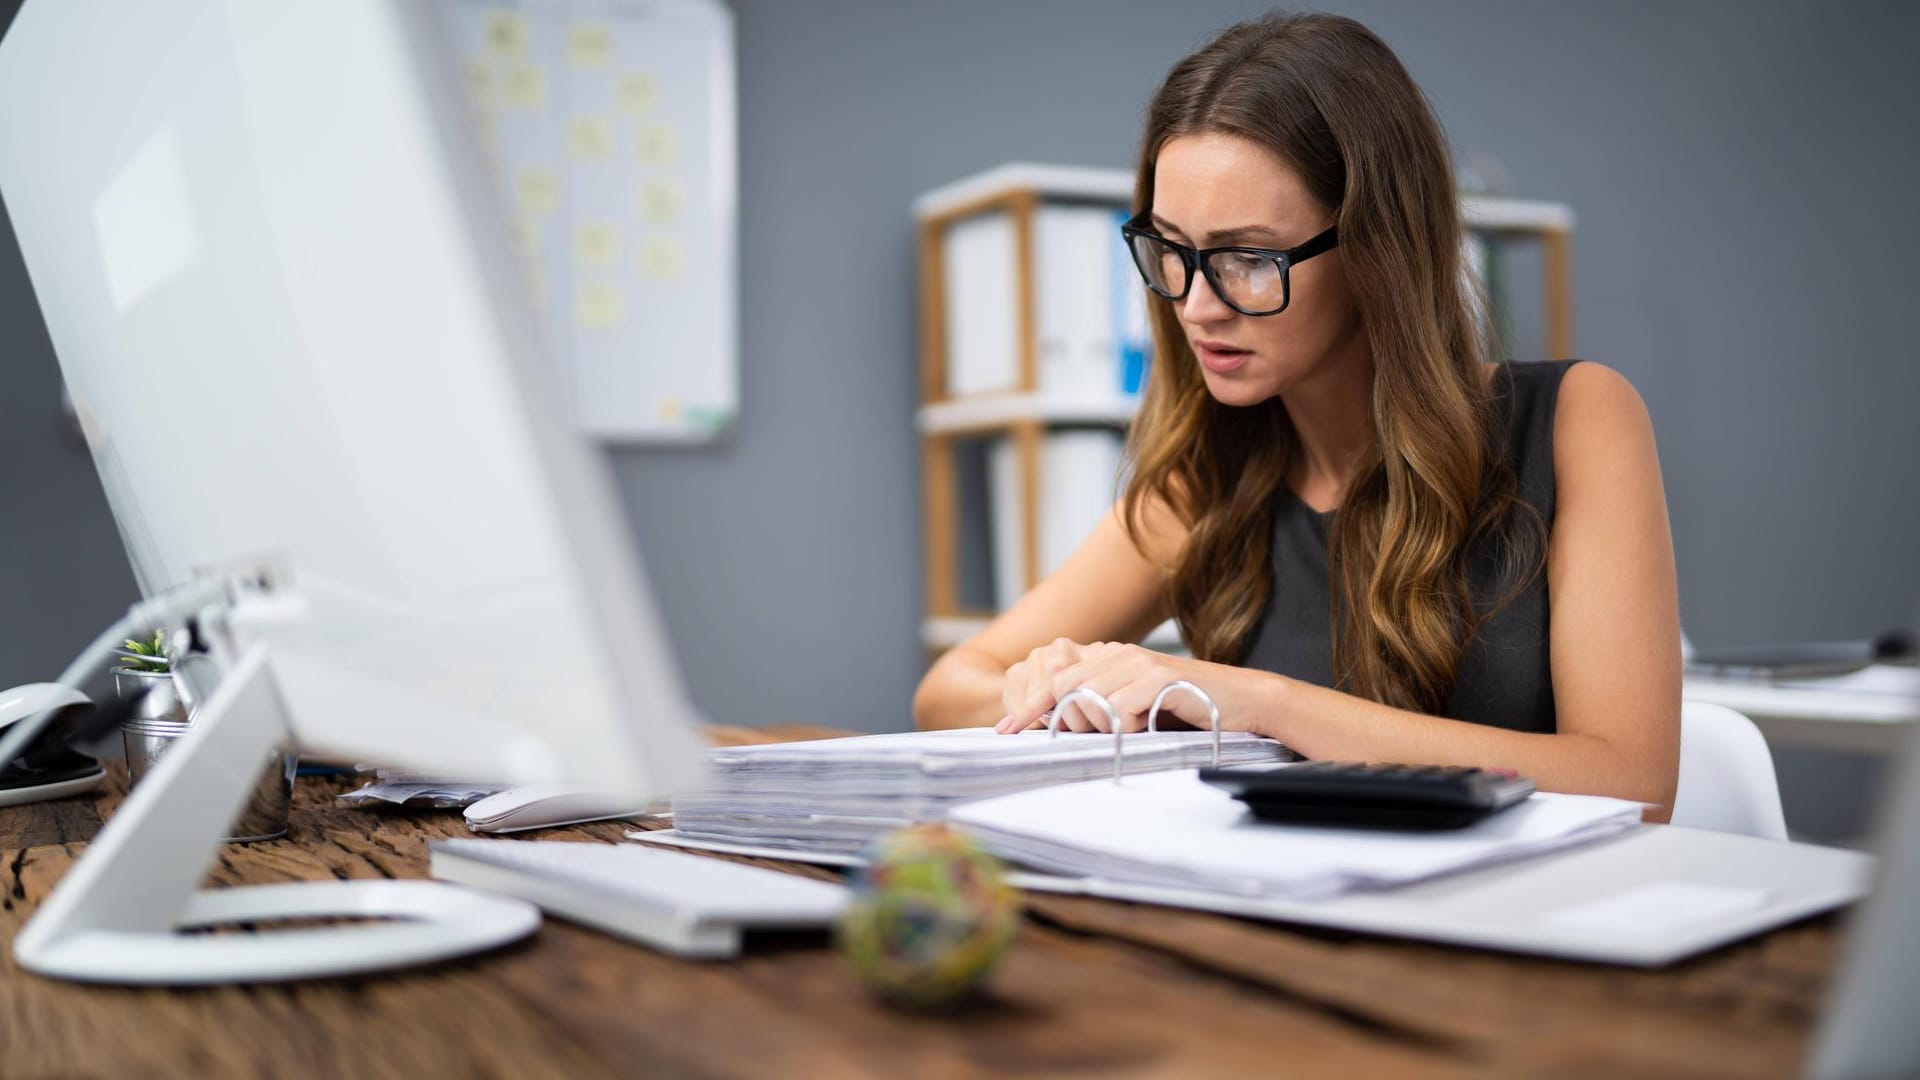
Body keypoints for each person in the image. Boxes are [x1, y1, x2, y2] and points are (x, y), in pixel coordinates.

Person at [911, 11, 1681, 817]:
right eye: (1171, 249)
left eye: (1248, 258)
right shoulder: (1207, 486)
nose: (1199, 305)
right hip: (1291, 919)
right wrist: (1059, 689)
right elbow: (951, 690)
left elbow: (1632, 781)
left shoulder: (1574, 420)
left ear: (1376, 251)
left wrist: (1265, 704)